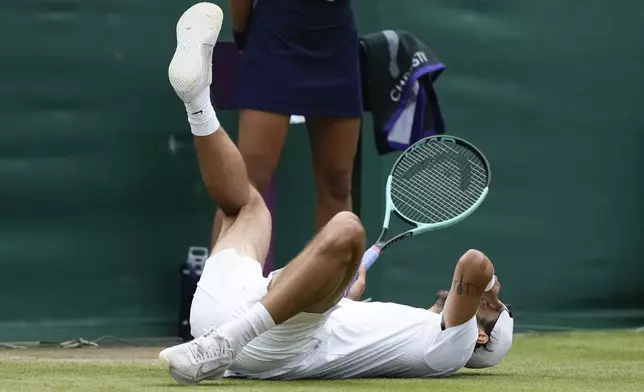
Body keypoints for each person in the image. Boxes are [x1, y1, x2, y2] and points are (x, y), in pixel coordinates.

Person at [160, 3, 512, 385]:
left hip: (264, 342)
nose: (492, 304)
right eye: (496, 303)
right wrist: (340, 288)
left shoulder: (453, 348)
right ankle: (197, 102)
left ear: (480, 335)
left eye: (494, 312)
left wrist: (490, 288)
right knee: (248, 206)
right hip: (226, 310)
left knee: (346, 226)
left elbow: (475, 263)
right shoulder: (415, 332)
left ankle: (227, 340)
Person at [209, 0, 363, 246]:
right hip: (275, 32)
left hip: (336, 35)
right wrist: (242, 35)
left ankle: (330, 283)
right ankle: (222, 283)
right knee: (248, 184)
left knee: (337, 182)